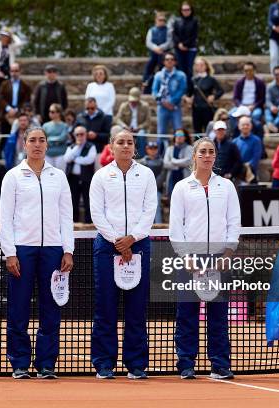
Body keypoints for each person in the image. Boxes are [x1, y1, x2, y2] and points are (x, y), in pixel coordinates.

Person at [0, 126, 74, 380]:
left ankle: (46, 364)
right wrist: (10, 252)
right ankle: (19, 363)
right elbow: (5, 217)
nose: (37, 144)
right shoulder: (13, 176)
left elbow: (66, 215)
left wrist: (68, 250)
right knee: (18, 308)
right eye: (32, 140)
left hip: (53, 250)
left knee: (51, 309)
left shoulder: (59, 176)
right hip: (22, 249)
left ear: (47, 145)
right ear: (24, 144)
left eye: (42, 140)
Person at [170, 137, 241, 380]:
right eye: (203, 152)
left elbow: (234, 221)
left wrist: (228, 253)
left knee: (219, 315)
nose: (207, 156)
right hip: (190, 258)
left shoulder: (227, 186)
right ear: (194, 156)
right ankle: (186, 362)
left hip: (220, 259)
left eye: (211, 152)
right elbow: (175, 227)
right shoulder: (181, 187)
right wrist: (185, 256)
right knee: (187, 313)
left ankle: (220, 364)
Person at [89, 129, 157, 380]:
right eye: (121, 142)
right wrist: (118, 241)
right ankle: (104, 363)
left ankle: (136, 364)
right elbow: (97, 213)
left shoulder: (146, 174)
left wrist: (132, 238)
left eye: (130, 142)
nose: (126, 146)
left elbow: (150, 210)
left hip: (139, 245)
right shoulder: (101, 176)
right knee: (105, 307)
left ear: (134, 147)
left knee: (136, 308)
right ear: (112, 146)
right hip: (107, 246)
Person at [153, 53, 187, 147]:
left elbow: (182, 90)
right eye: (167, 59)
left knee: (178, 131)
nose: (169, 61)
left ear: (175, 62)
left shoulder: (181, 75)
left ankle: (179, 153)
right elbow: (154, 91)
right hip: (162, 107)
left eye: (171, 59)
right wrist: (163, 102)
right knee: (161, 132)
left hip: (175, 107)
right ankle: (160, 154)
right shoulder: (158, 76)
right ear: (164, 62)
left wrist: (171, 102)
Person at [63, 125, 96, 223]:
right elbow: (67, 159)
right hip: (73, 178)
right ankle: (74, 222)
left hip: (86, 177)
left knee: (88, 201)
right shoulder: (72, 146)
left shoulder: (91, 146)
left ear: (85, 135)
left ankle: (88, 222)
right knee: (73, 201)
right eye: (77, 134)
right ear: (74, 135)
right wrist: (77, 147)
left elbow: (89, 160)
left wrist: (75, 159)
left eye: (82, 134)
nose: (80, 136)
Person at [185, 57, 223, 133]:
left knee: (208, 129)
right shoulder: (193, 80)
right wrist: (187, 98)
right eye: (197, 65)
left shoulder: (211, 79)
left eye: (201, 65)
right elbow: (188, 93)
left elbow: (220, 91)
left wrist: (213, 96)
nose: (199, 67)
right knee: (197, 131)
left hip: (207, 108)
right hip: (196, 108)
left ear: (206, 66)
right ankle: (197, 144)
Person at [0, 28, 22, 115]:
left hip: (8, 72)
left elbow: (19, 43)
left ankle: (5, 110)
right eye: (2, 36)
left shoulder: (11, 46)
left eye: (6, 36)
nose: (4, 38)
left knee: (7, 92)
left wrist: (12, 34)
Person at [230, 62, 266, 137]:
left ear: (254, 70)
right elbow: (235, 98)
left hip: (254, 107)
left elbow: (262, 99)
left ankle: (252, 134)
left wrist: (254, 106)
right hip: (241, 106)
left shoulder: (260, 83)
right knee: (230, 114)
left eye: (250, 70)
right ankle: (235, 134)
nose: (248, 72)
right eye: (246, 70)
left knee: (257, 114)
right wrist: (241, 106)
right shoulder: (239, 82)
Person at [114, 87, 151, 158]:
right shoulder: (124, 106)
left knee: (141, 135)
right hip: (126, 128)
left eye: (135, 101)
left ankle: (140, 157)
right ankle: (119, 155)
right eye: (132, 101)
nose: (133, 102)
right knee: (117, 131)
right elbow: (118, 119)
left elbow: (148, 121)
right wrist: (125, 126)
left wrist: (139, 127)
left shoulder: (145, 106)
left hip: (140, 129)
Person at [142, 11, 172, 94]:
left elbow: (169, 42)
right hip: (154, 53)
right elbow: (148, 42)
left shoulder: (168, 30)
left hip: (164, 54)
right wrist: (155, 48)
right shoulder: (151, 30)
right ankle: (146, 83)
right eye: (160, 20)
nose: (162, 22)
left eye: (163, 20)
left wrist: (161, 48)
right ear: (156, 20)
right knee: (149, 68)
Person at [0, 63, 32, 135]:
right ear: (10, 72)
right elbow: (0, 98)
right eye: (12, 71)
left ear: (20, 71)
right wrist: (8, 109)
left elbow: (26, 100)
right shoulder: (4, 84)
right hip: (6, 114)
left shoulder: (25, 85)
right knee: (5, 137)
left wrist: (16, 109)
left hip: (20, 113)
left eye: (16, 71)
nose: (14, 73)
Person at [138, 141, 164, 224]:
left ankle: (158, 228)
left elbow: (162, 176)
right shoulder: (142, 162)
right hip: (143, 189)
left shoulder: (162, 161)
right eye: (150, 148)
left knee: (156, 206)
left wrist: (153, 186)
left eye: (155, 148)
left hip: (157, 189)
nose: (153, 150)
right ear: (147, 149)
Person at [172, 2, 198, 81]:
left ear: (191, 10)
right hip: (179, 49)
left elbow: (194, 35)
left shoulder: (194, 21)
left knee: (189, 70)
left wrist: (185, 44)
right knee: (180, 69)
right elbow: (174, 34)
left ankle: (189, 91)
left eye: (187, 9)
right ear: (181, 11)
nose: (185, 11)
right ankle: (182, 89)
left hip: (190, 48)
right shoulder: (177, 21)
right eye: (183, 10)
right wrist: (179, 44)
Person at [164, 129, 193, 198]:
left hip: (185, 177)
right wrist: (178, 166)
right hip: (172, 178)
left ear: (185, 137)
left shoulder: (189, 148)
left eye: (181, 135)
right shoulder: (169, 149)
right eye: (177, 135)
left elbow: (188, 161)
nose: (178, 136)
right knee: (172, 200)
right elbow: (165, 163)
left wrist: (174, 161)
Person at [233, 116, 263, 181]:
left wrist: (246, 167)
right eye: (243, 125)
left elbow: (256, 157)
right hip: (237, 174)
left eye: (247, 125)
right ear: (239, 126)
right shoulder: (234, 141)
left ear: (251, 126)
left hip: (251, 173)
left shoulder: (256, 140)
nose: (245, 126)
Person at [43, 103, 69, 169]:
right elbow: (43, 139)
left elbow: (62, 138)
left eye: (52, 112)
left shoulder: (64, 126)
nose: (50, 113)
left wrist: (49, 140)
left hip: (60, 154)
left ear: (58, 113)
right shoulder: (45, 125)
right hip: (48, 154)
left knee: (60, 176)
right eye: (50, 111)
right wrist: (56, 141)